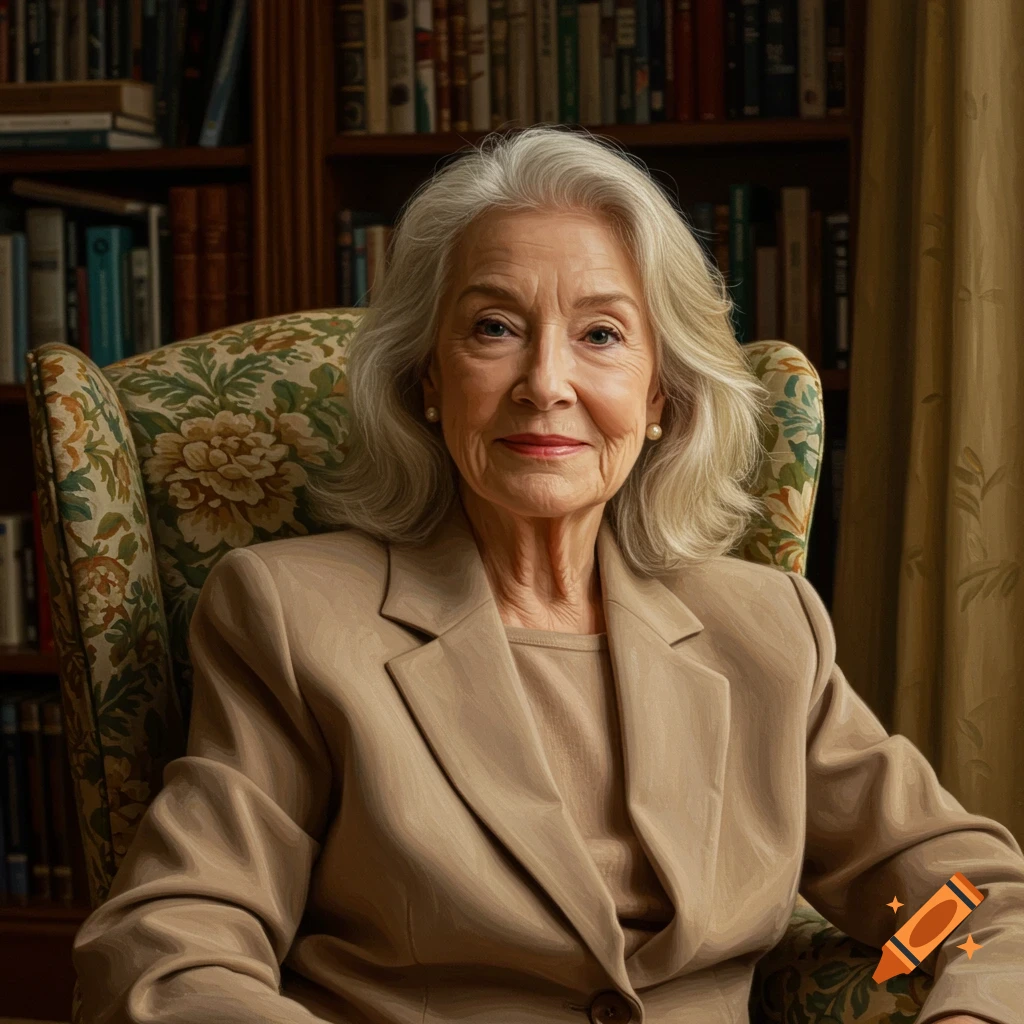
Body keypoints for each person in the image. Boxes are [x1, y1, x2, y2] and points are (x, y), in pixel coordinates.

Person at [71, 126, 1020, 1024]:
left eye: (602, 335)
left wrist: (959, 999)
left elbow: (960, 897)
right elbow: (174, 946)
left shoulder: (766, 627)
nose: (546, 382)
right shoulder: (291, 615)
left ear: (658, 394)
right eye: (494, 327)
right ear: (429, 381)